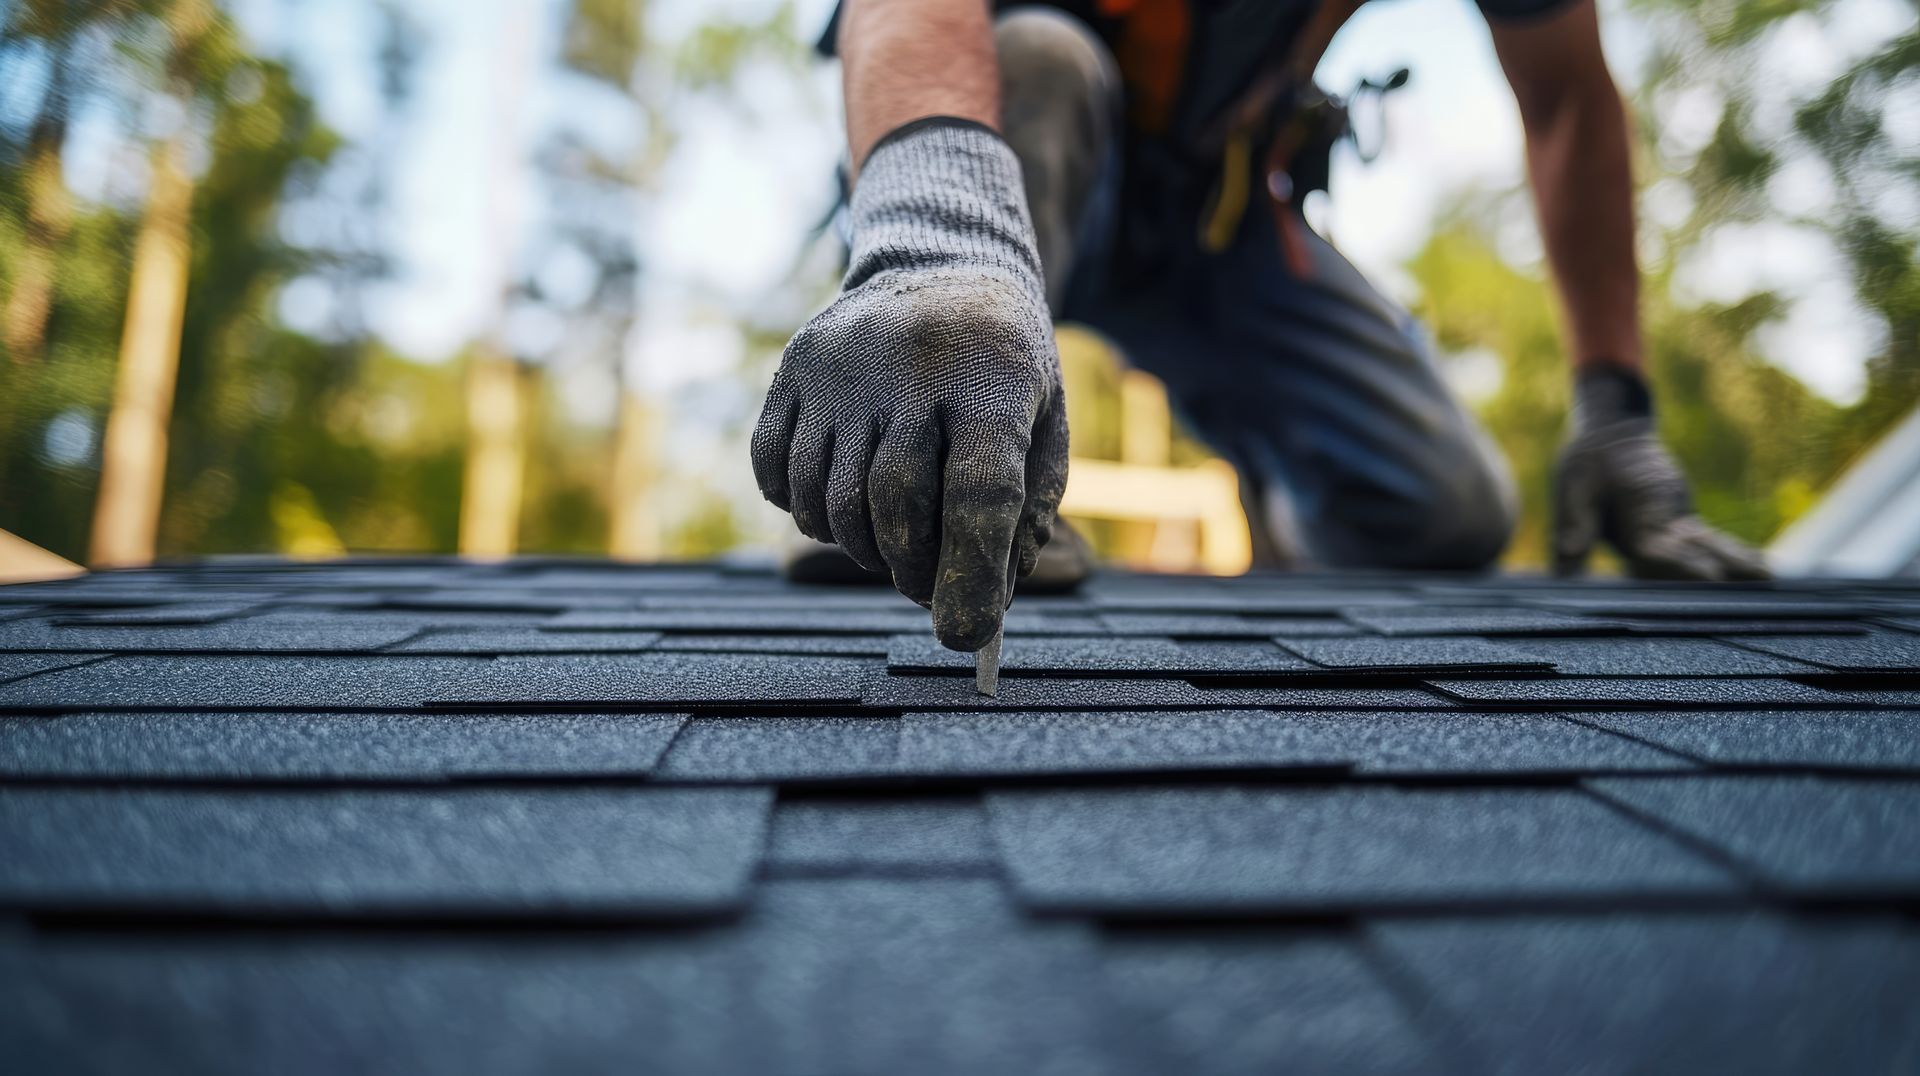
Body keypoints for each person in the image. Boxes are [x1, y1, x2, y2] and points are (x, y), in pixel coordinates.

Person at [749, 0, 1768, 654]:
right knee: (1042, 57)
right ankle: (931, 462)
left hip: (1216, 214)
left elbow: (1566, 95)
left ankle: (1276, 519)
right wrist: (935, 238)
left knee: (1446, 513)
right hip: (1018, 166)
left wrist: (1614, 406)